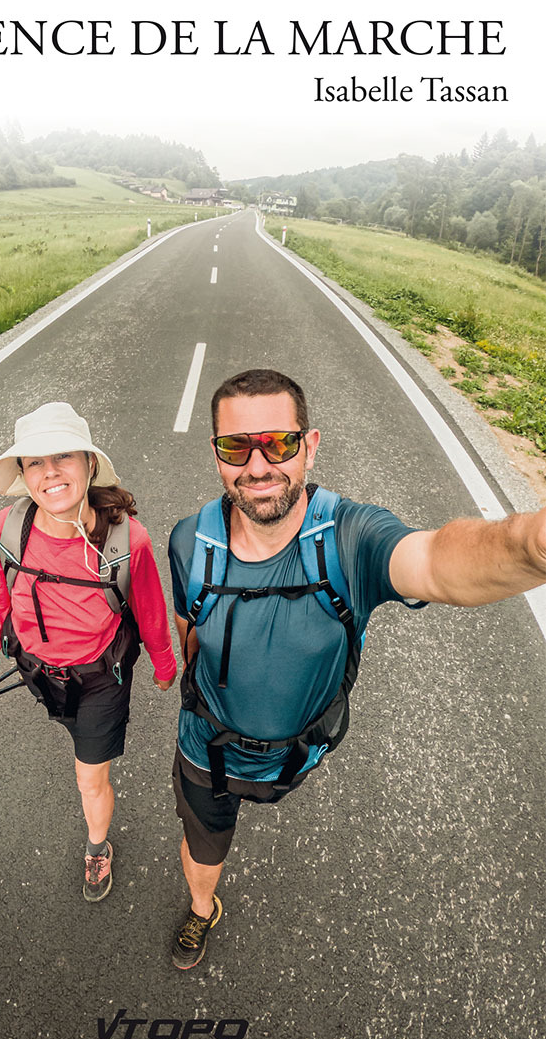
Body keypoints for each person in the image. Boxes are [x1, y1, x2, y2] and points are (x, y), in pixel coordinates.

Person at [167, 368, 546, 969]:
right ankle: (201, 908)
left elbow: (437, 562)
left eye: (280, 444)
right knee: (203, 845)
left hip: (299, 750)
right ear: (216, 453)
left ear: (310, 446)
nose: (259, 466)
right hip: (205, 747)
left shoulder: (351, 538)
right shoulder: (190, 540)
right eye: (237, 447)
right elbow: (191, 631)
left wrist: (532, 545)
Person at [0, 402, 177, 902]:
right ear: (23, 475)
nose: (50, 472)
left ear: (89, 464)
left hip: (99, 681)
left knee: (88, 777)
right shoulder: (8, 531)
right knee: (68, 730)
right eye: (35, 462)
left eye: (63, 457)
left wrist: (165, 668)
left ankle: (97, 845)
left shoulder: (127, 540)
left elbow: (150, 610)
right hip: (38, 671)